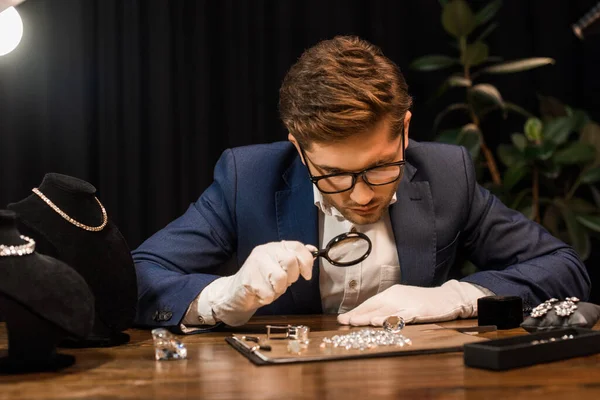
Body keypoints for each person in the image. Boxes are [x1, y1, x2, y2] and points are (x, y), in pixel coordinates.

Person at [133, 36, 590, 332]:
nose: (362, 194)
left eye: (380, 167)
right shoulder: (245, 180)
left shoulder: (448, 173)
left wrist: (453, 297)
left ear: (406, 131)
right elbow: (137, 276)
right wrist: (222, 297)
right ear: (298, 147)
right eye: (333, 174)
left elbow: (562, 266)